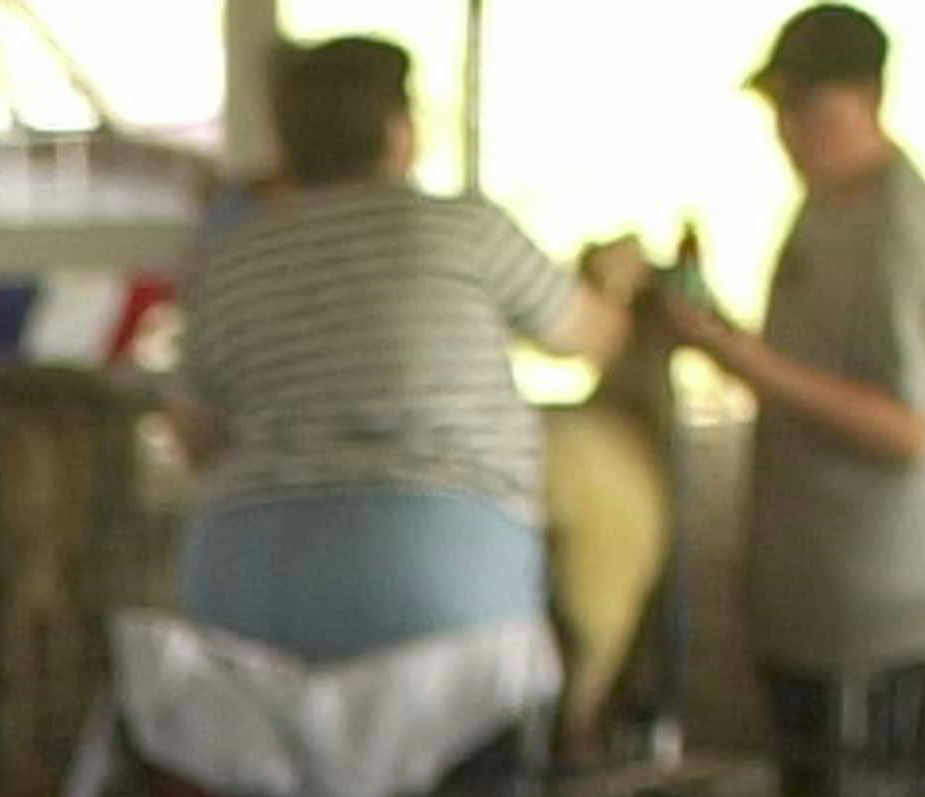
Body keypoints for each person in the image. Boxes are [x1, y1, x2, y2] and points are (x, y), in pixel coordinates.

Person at [620, 3, 925, 797]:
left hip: (901, 609)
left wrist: (731, 353)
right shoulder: (828, 207)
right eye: (784, 113)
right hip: (838, 591)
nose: (795, 134)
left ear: (868, 101)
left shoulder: (898, 230)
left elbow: (908, 427)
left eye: (814, 113)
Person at [162, 40, 628, 667]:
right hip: (439, 570)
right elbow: (592, 338)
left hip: (248, 583)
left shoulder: (230, 261)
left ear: (285, 146)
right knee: (466, 754)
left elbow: (192, 436)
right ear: (399, 132)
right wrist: (616, 285)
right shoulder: (464, 229)